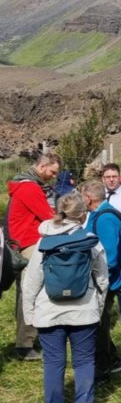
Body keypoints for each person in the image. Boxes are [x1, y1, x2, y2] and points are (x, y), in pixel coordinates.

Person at [21, 192, 109, 403]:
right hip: (84, 310)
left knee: (53, 363)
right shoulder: (90, 240)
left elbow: (30, 282)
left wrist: (30, 316)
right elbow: (102, 277)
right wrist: (98, 306)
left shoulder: (44, 242)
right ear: (83, 215)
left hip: (49, 311)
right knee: (84, 360)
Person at [6, 152, 61, 360]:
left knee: (26, 293)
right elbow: (48, 217)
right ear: (42, 166)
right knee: (31, 293)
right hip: (29, 244)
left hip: (22, 242)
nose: (53, 176)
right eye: (52, 172)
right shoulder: (30, 188)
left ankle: (26, 337)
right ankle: (25, 343)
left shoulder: (24, 184)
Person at [81, 182, 121, 381]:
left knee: (99, 325)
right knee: (99, 323)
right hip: (102, 278)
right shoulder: (98, 214)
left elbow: (110, 256)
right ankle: (112, 359)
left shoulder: (105, 218)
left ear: (88, 198)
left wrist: (94, 275)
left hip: (106, 280)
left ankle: (104, 368)